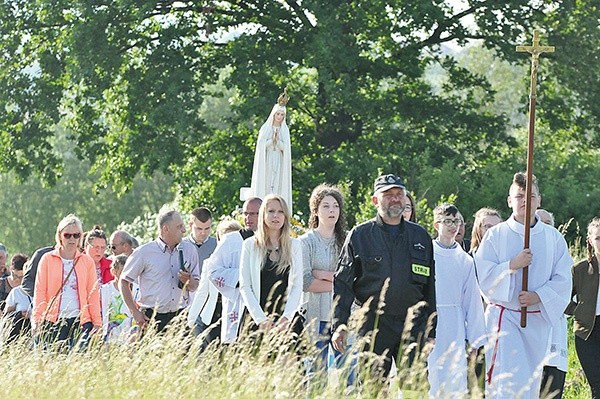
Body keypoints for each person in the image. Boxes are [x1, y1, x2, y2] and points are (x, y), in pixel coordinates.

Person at [474, 172, 572, 398]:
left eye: (531, 196)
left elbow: (563, 279)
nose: (525, 201)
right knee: (505, 382)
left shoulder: (553, 238)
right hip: (505, 319)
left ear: (539, 200)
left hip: (536, 321)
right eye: (519, 196)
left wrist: (538, 296)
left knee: (530, 384)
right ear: (509, 201)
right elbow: (483, 275)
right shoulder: (496, 235)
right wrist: (512, 265)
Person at [332, 174, 436, 380]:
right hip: (374, 325)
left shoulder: (420, 237)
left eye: (399, 194)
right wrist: (339, 325)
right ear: (375, 200)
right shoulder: (360, 235)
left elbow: (430, 288)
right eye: (388, 195)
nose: (395, 199)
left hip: (413, 325)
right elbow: (343, 284)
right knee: (373, 388)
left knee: (414, 388)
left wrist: (431, 331)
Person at [427, 204, 486, 398]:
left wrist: (475, 341)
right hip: (432, 322)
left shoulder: (465, 260)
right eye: (448, 221)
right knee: (431, 376)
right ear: (437, 224)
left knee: (454, 378)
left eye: (457, 221)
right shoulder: (426, 254)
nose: (454, 226)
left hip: (455, 326)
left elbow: (472, 302)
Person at [120, 209, 200, 334]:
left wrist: (189, 281)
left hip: (180, 318)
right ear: (165, 229)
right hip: (151, 318)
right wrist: (134, 312)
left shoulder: (190, 250)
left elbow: (195, 286)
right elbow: (124, 281)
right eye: (179, 227)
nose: (184, 230)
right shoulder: (144, 252)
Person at [32, 214, 102, 349]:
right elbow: (39, 291)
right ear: (60, 236)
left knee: (79, 364)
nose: (72, 239)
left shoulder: (87, 261)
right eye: (67, 235)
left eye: (76, 235)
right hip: (52, 321)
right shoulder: (47, 259)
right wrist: (37, 320)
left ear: (81, 237)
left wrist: (97, 322)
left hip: (80, 321)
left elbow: (93, 293)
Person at [239, 194, 303, 336]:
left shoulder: (295, 245)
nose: (276, 216)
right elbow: (245, 286)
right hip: (256, 319)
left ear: (286, 216)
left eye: (281, 212)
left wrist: (286, 318)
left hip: (287, 320)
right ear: (263, 215)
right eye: (271, 211)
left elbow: (297, 285)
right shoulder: (250, 245)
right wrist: (261, 320)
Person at [299, 184, 347, 365]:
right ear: (315, 210)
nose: (331, 210)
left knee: (348, 378)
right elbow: (306, 282)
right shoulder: (305, 242)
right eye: (325, 206)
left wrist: (323, 275)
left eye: (335, 206)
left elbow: (352, 280)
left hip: (342, 319)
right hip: (315, 318)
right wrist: (338, 281)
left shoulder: (348, 240)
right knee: (316, 377)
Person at [208, 197, 262, 343]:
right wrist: (242, 278)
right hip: (238, 304)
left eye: (253, 213)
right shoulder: (230, 240)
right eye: (245, 213)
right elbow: (212, 271)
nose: (248, 218)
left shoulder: (272, 241)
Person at [187, 219, 241, 350]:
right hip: (212, 315)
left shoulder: (244, 263)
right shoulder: (209, 263)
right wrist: (191, 319)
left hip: (235, 315)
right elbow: (202, 293)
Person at [565, 218, 600, 398]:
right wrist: (577, 310)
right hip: (587, 333)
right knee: (597, 385)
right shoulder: (579, 270)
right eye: (599, 238)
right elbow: (563, 298)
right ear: (590, 240)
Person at [250, 90, 292, 213]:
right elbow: (261, 145)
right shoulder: (265, 128)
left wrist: (278, 142)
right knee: (267, 183)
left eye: (282, 115)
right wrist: (270, 141)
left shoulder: (285, 131)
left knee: (277, 183)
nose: (279, 117)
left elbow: (286, 149)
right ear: (273, 114)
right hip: (267, 160)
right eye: (278, 114)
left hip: (278, 160)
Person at [182, 207, 218, 347]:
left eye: (207, 228)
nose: (203, 233)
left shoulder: (217, 245)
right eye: (199, 228)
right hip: (185, 300)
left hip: (208, 303)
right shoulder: (181, 245)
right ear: (190, 225)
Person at [100, 254, 136, 343]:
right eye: (122, 272)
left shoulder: (137, 289)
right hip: (111, 338)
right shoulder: (105, 290)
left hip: (132, 337)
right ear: (114, 271)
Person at [3, 253, 31, 341]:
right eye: (15, 276)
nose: (18, 280)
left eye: (22, 277)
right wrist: (19, 314)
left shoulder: (37, 289)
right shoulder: (15, 292)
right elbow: (6, 315)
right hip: (15, 334)